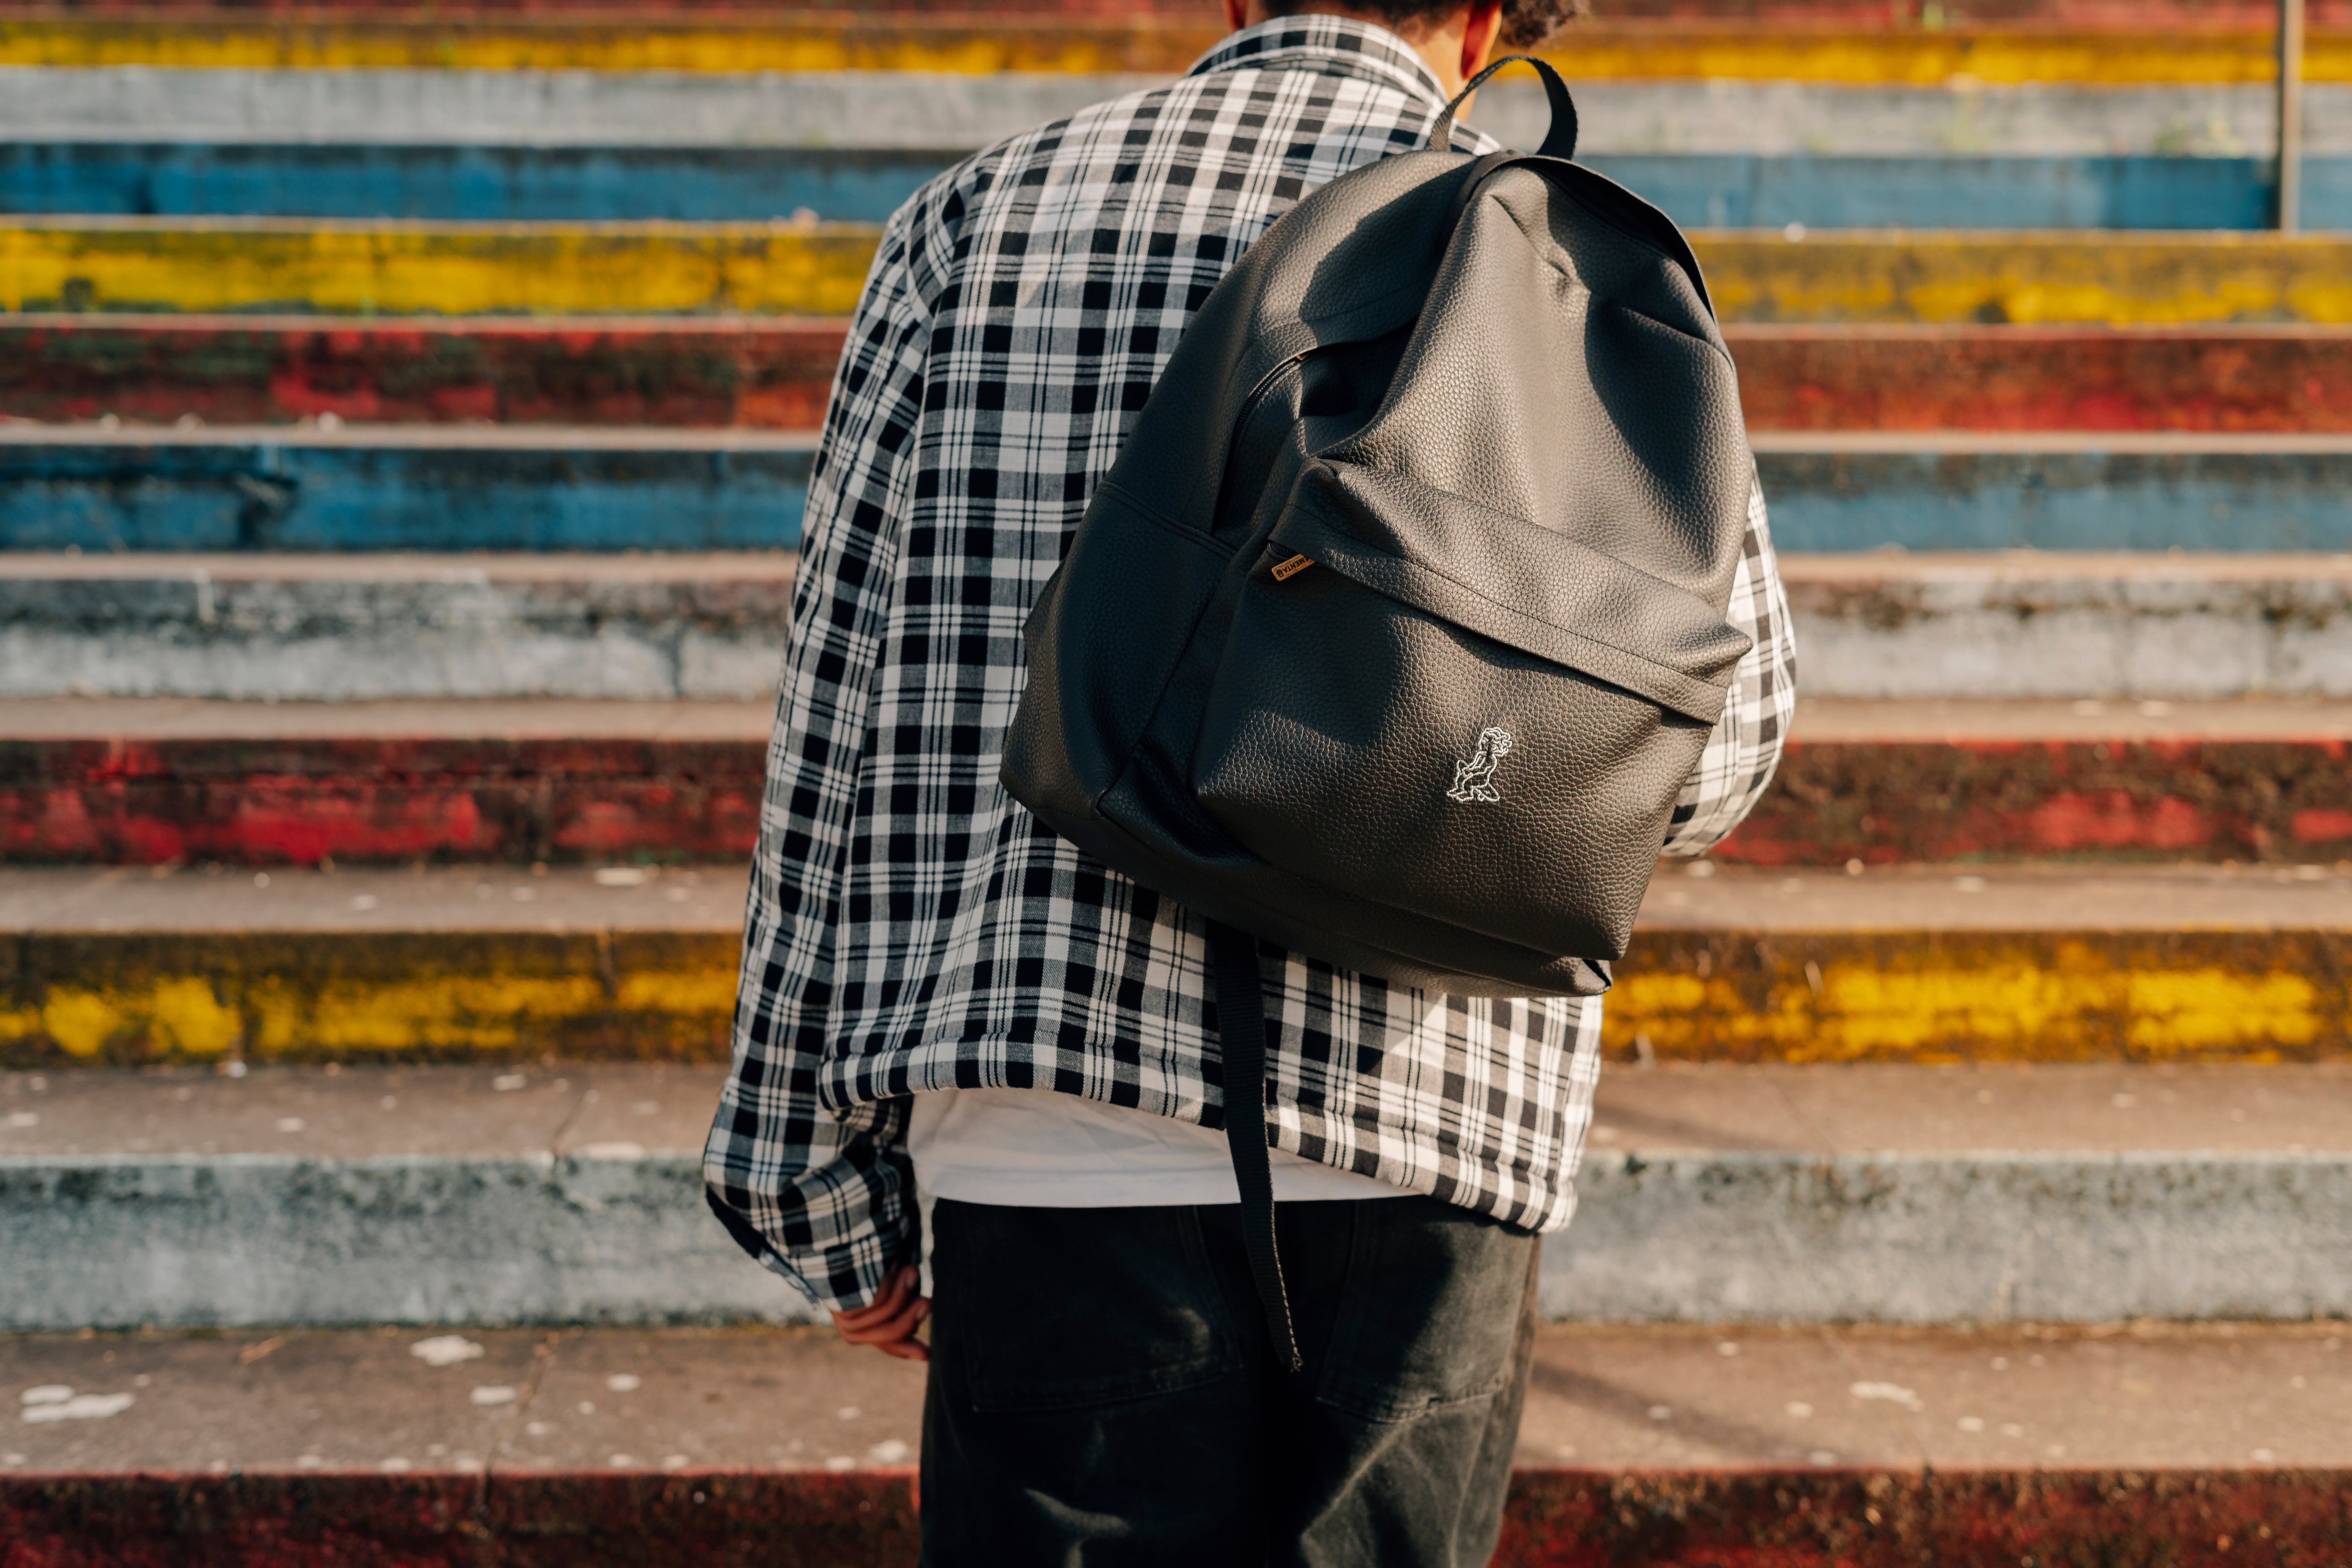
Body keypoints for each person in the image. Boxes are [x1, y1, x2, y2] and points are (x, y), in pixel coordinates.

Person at [703, 0, 1797, 1558]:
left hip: (1039, 1126)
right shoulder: (1574, 277)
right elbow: (1720, 756)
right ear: (1493, 18)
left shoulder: (979, 218)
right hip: (1427, 1110)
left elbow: (839, 716)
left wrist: (802, 1172)